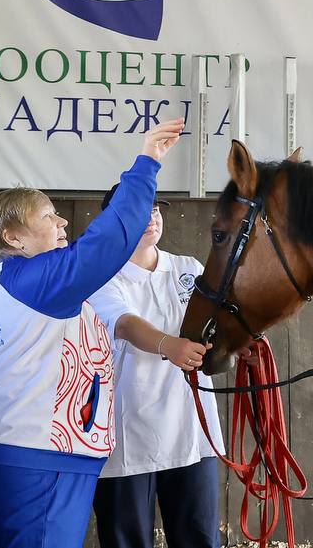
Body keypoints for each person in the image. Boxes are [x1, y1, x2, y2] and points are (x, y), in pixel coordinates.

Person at [0, 119, 193, 548]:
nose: (62, 223)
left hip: (15, 457)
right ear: (13, 237)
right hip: (39, 461)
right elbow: (106, 243)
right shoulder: (37, 282)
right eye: (49, 216)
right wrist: (146, 163)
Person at [87, 187, 224, 548]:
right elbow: (125, 324)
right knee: (126, 540)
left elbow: (217, 329)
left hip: (191, 429)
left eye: (154, 209)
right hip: (127, 432)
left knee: (199, 538)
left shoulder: (188, 268)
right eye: (137, 210)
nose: (151, 216)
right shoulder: (100, 277)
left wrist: (244, 349)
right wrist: (168, 345)